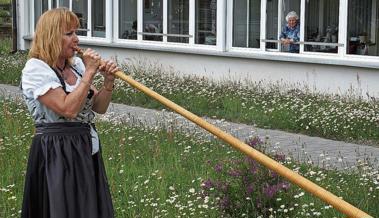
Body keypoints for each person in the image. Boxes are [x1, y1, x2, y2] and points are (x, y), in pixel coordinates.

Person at [20, 8, 118, 218]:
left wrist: (108, 82)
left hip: (83, 147)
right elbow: (68, 109)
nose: (76, 39)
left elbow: (98, 107)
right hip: (56, 151)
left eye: (76, 32)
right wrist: (91, 73)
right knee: (64, 209)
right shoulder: (36, 69)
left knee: (87, 208)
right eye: (69, 33)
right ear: (51, 37)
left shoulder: (76, 67)